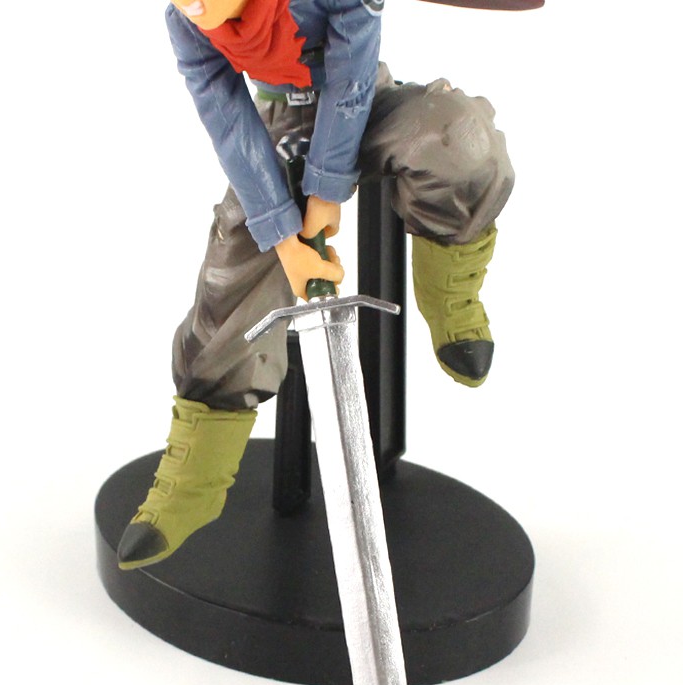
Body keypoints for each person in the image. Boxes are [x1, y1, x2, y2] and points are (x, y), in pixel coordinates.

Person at [117, 0, 514, 570]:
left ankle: (451, 295)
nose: (196, 5)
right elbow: (229, 122)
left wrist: (326, 189)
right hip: (280, 128)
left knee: (461, 139)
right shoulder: (187, 25)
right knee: (228, 279)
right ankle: (196, 478)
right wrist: (283, 236)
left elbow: (352, 69)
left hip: (366, 102)